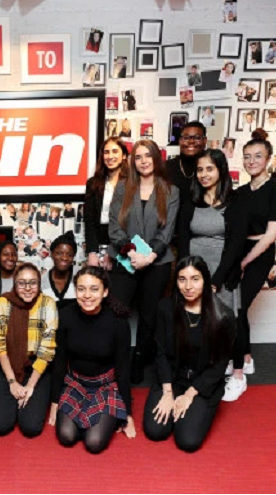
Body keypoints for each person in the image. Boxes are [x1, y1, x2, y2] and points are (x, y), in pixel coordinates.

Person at [143, 256, 235, 452]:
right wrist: (168, 393)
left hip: (202, 382)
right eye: (182, 279)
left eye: (195, 279)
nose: (188, 286)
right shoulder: (165, 308)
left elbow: (219, 365)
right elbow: (159, 352)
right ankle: (174, 403)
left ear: (206, 281)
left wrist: (189, 395)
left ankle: (192, 408)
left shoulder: (224, 316)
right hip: (172, 379)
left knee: (187, 441)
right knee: (155, 431)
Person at [223, 129, 276, 402]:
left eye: (257, 156)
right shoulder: (239, 193)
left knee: (237, 308)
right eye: (247, 157)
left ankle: (238, 375)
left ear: (269, 159)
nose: (251, 161)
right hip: (239, 251)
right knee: (236, 307)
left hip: (259, 253)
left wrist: (246, 260)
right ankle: (246, 356)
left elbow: (272, 234)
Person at [109, 139, 180, 383]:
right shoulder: (122, 187)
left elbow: (167, 232)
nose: (143, 161)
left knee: (149, 316)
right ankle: (116, 360)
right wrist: (132, 254)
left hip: (156, 262)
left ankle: (139, 360)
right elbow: (114, 228)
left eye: (147, 156)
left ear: (156, 158)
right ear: (132, 162)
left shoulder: (171, 191)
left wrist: (148, 257)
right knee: (116, 310)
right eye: (138, 157)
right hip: (125, 257)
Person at [49, 266, 136, 453]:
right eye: (81, 289)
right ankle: (87, 416)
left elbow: (123, 369)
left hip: (106, 386)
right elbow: (60, 361)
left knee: (94, 442)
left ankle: (104, 415)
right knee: (66, 436)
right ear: (76, 290)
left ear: (105, 292)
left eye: (94, 289)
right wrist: (55, 402)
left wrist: (128, 414)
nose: (87, 295)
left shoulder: (118, 322)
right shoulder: (65, 316)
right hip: (75, 382)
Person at [0, 262, 58, 437]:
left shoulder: (48, 304)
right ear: (15, 283)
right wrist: (12, 382)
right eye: (22, 283)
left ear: (39, 284)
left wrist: (30, 385)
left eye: (33, 283)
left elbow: (47, 348)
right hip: (10, 367)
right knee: (0, 426)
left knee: (31, 427)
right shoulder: (4, 302)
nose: (27, 288)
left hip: (36, 368)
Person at [177, 149, 247, 310]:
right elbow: (183, 240)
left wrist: (217, 279)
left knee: (220, 323)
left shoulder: (236, 202)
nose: (203, 174)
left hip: (222, 269)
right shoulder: (190, 204)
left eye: (209, 169)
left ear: (220, 170)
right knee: (192, 321)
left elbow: (235, 245)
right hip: (193, 270)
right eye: (200, 170)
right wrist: (187, 275)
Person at [84, 137, 128, 269]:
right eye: (106, 152)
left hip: (124, 244)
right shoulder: (93, 183)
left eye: (115, 151)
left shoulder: (132, 184)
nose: (110, 156)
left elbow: (134, 222)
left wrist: (114, 250)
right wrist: (92, 252)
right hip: (99, 243)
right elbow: (89, 220)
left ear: (124, 155)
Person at [165, 122, 207, 204]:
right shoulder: (166, 167)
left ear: (204, 141)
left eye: (197, 137)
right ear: (180, 141)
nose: (191, 141)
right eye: (186, 137)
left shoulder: (211, 169)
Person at [41, 232, 80, 311]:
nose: (64, 258)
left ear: (74, 256)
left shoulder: (81, 277)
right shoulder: (42, 282)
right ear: (51, 254)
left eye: (69, 254)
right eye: (59, 253)